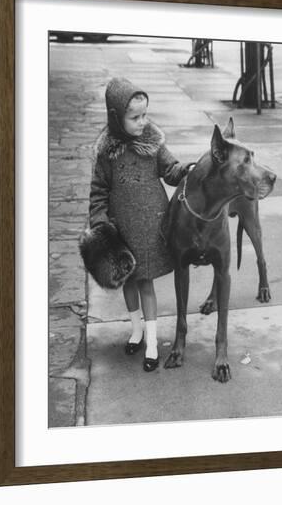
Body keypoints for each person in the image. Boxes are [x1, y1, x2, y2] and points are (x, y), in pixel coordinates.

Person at [89, 77, 192, 372]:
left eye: (144, 115)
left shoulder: (152, 144)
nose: (142, 122)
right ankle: (136, 329)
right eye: (134, 117)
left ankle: (152, 343)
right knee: (128, 281)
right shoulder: (107, 154)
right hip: (121, 231)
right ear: (116, 118)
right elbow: (98, 191)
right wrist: (100, 222)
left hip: (150, 227)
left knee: (145, 281)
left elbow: (170, 170)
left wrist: (184, 170)